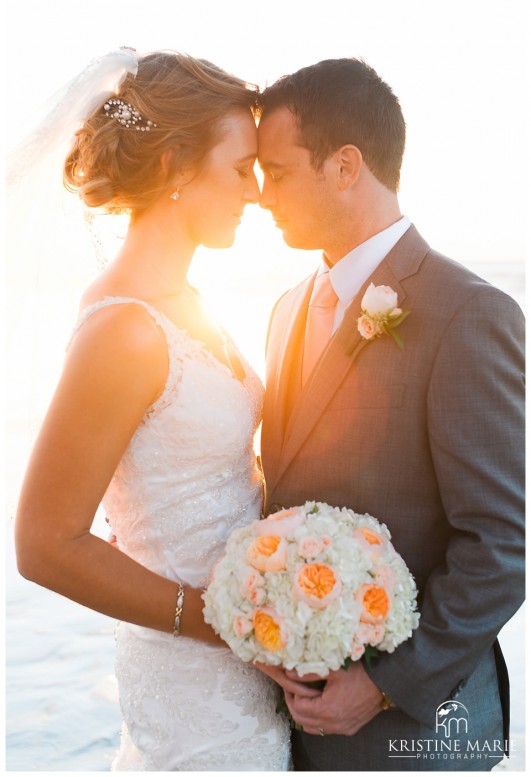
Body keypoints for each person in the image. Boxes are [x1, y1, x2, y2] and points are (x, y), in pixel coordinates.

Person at [13, 48, 290, 771]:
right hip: (193, 687)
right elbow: (43, 542)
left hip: (248, 666)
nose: (257, 191)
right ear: (173, 165)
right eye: (241, 167)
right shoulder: (122, 331)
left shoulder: (189, 304)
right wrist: (219, 622)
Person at [256, 58, 525, 771]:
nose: (259, 195)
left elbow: (498, 547)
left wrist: (380, 686)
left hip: (418, 733)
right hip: (293, 723)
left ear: (344, 165)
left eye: (276, 171)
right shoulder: (285, 310)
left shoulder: (469, 314)